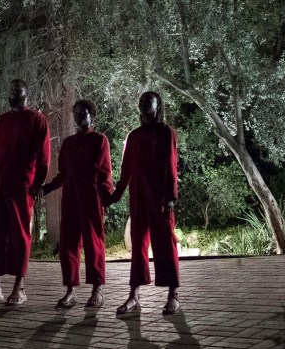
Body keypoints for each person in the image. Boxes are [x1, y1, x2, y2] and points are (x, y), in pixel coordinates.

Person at [0, 79, 51, 306]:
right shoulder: (0, 122)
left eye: (17, 90)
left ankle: (20, 286)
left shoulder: (36, 119)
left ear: (27, 93)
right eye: (10, 90)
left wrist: (37, 184)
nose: (13, 93)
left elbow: (43, 157)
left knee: (19, 234)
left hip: (21, 186)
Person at [110, 91, 181, 315]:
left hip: (159, 196)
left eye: (148, 100)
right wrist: (115, 195)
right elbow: (125, 170)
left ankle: (173, 294)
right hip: (138, 196)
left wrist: (170, 196)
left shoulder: (165, 132)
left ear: (158, 104)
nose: (143, 103)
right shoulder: (134, 135)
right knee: (138, 244)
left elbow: (171, 165)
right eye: (140, 100)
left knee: (165, 243)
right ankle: (134, 295)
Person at [39, 100, 113, 308]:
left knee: (93, 243)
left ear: (92, 115)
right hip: (70, 199)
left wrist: (106, 196)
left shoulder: (100, 140)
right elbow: (63, 174)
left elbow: (105, 173)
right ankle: (70, 290)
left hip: (91, 198)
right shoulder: (69, 143)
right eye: (77, 113)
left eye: (84, 112)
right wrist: (47, 188)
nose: (80, 116)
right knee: (68, 245)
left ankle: (97, 289)